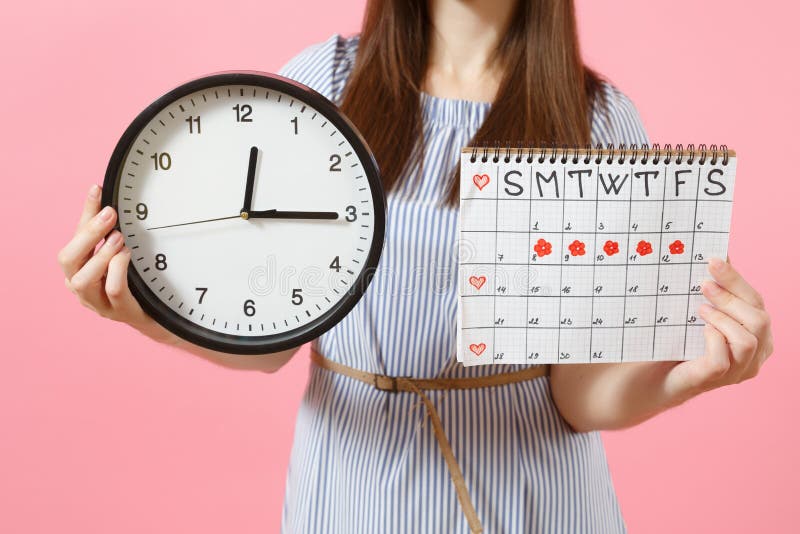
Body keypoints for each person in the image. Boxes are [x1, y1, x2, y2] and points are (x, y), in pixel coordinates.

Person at [57, 0, 773, 532]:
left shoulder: (602, 120)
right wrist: (143, 317)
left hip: (534, 499)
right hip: (351, 490)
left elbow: (580, 396)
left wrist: (687, 376)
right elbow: (269, 341)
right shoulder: (320, 82)